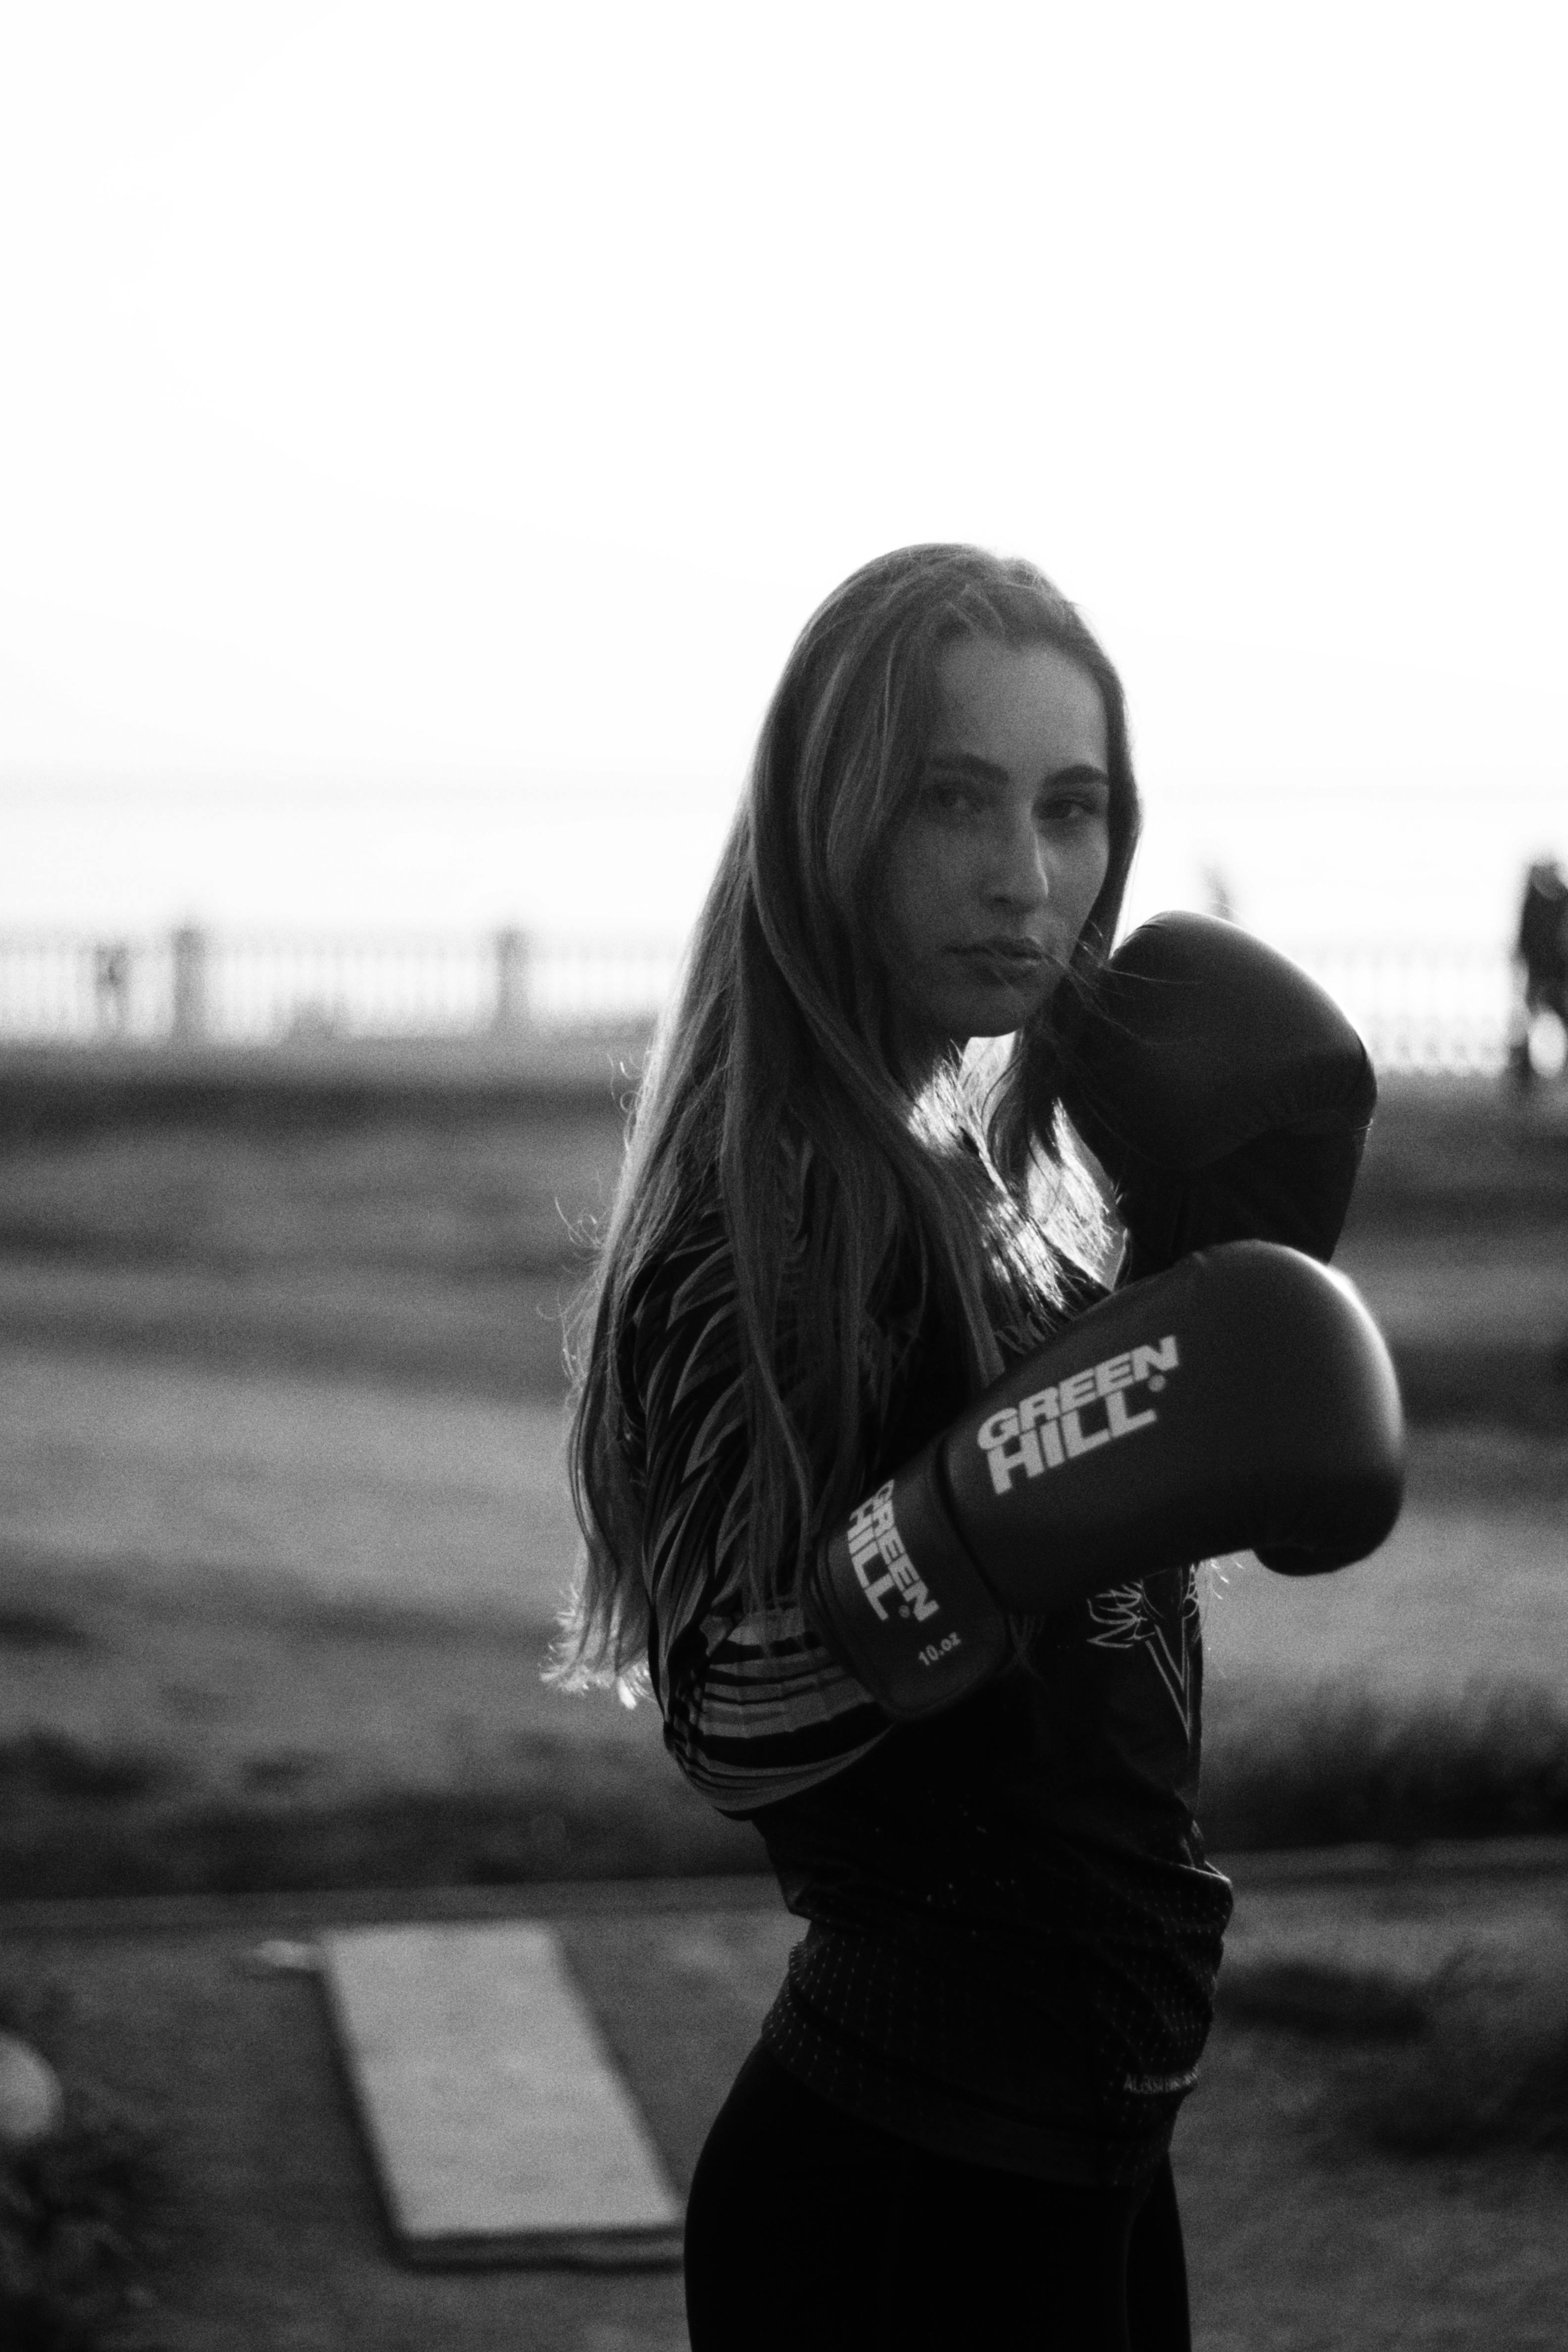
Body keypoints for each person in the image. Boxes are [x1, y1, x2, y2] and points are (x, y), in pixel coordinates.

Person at [551, 545, 1398, 2349]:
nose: (1029, 878)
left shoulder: (968, 1204)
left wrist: (1184, 1291)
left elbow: (1095, 1649)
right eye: (956, 800)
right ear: (831, 821)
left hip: (1079, 2143)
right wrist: (981, 1523)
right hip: (904, 2189)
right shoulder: (764, 1217)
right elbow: (735, 1714)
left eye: (1073, 810)